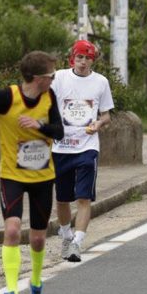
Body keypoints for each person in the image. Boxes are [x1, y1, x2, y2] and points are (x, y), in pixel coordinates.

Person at [0, 51, 64, 294]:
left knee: (38, 239)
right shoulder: (7, 97)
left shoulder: (49, 97)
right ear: (37, 77)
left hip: (43, 177)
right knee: (11, 230)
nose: (53, 79)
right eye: (51, 75)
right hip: (12, 176)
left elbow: (59, 131)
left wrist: (39, 126)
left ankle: (36, 283)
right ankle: (10, 293)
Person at [52, 40, 115, 263]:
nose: (83, 62)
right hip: (61, 146)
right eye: (80, 57)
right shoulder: (59, 78)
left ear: (92, 61)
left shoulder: (100, 82)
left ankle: (77, 243)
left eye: (88, 58)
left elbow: (106, 115)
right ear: (72, 58)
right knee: (62, 199)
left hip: (87, 147)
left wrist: (99, 123)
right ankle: (66, 235)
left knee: (84, 197)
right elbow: (44, 104)